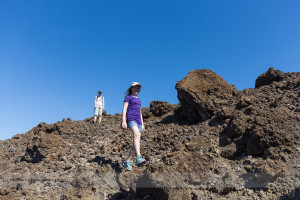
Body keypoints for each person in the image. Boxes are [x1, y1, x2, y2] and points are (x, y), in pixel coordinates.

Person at [121, 82, 146, 170]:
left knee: (135, 143)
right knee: (137, 135)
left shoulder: (139, 100)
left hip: (139, 121)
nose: (137, 89)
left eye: (138, 88)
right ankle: (138, 157)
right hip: (131, 119)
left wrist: (142, 124)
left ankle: (127, 161)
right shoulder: (128, 98)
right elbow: (124, 109)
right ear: (131, 88)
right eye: (135, 88)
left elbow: (140, 113)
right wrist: (124, 121)